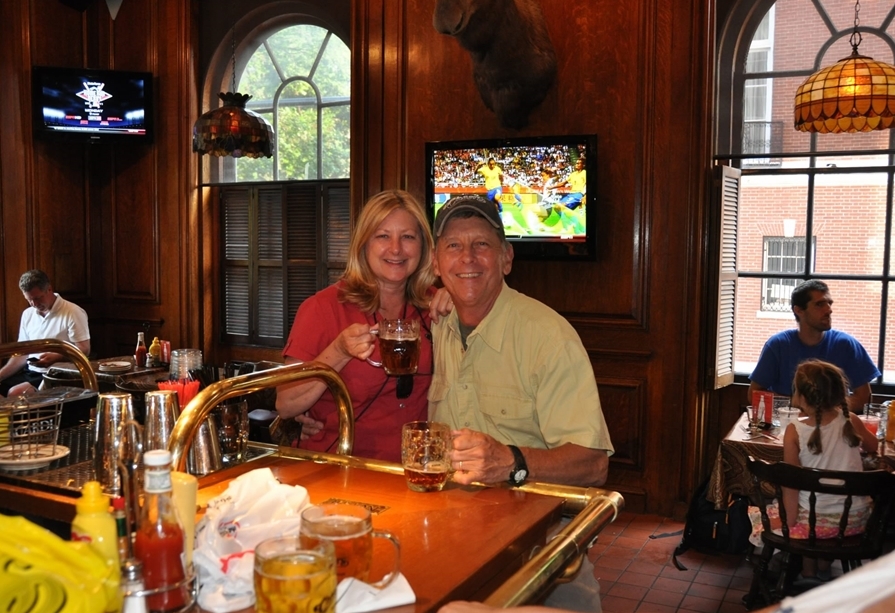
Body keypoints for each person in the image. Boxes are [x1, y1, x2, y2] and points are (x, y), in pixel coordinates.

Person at [430, 194, 614, 487]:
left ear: (506, 258)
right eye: (453, 245)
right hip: (447, 506)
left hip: (530, 513)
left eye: (482, 244)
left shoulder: (548, 337)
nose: (467, 257)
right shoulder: (434, 326)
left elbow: (593, 465)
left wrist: (511, 462)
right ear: (435, 263)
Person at [275, 190, 438, 463]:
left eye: (408, 237)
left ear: (423, 246)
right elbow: (286, 404)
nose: (396, 249)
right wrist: (339, 352)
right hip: (337, 467)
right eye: (382, 236)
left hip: (413, 470)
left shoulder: (437, 306)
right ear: (363, 244)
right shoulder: (322, 308)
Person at [779, 359, 877, 583]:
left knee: (804, 512)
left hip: (815, 523)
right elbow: (872, 445)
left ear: (802, 396)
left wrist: (789, 522)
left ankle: (809, 573)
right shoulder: (851, 420)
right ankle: (824, 566)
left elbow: (790, 483)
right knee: (819, 511)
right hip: (856, 519)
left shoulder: (794, 430)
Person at [749, 280, 879, 413]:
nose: (829, 310)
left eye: (829, 303)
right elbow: (754, 393)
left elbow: (864, 398)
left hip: (834, 423)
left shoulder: (846, 344)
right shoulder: (778, 345)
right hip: (786, 421)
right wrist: (799, 407)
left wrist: (825, 414)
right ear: (799, 310)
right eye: (820, 304)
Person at [0, 270, 91, 396]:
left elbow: (84, 349)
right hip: (30, 372)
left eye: (37, 298)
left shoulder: (73, 312)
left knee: (15, 392)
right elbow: (22, 354)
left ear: (49, 289)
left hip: (59, 375)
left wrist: (57, 356)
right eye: (29, 300)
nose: (34, 304)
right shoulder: (28, 314)